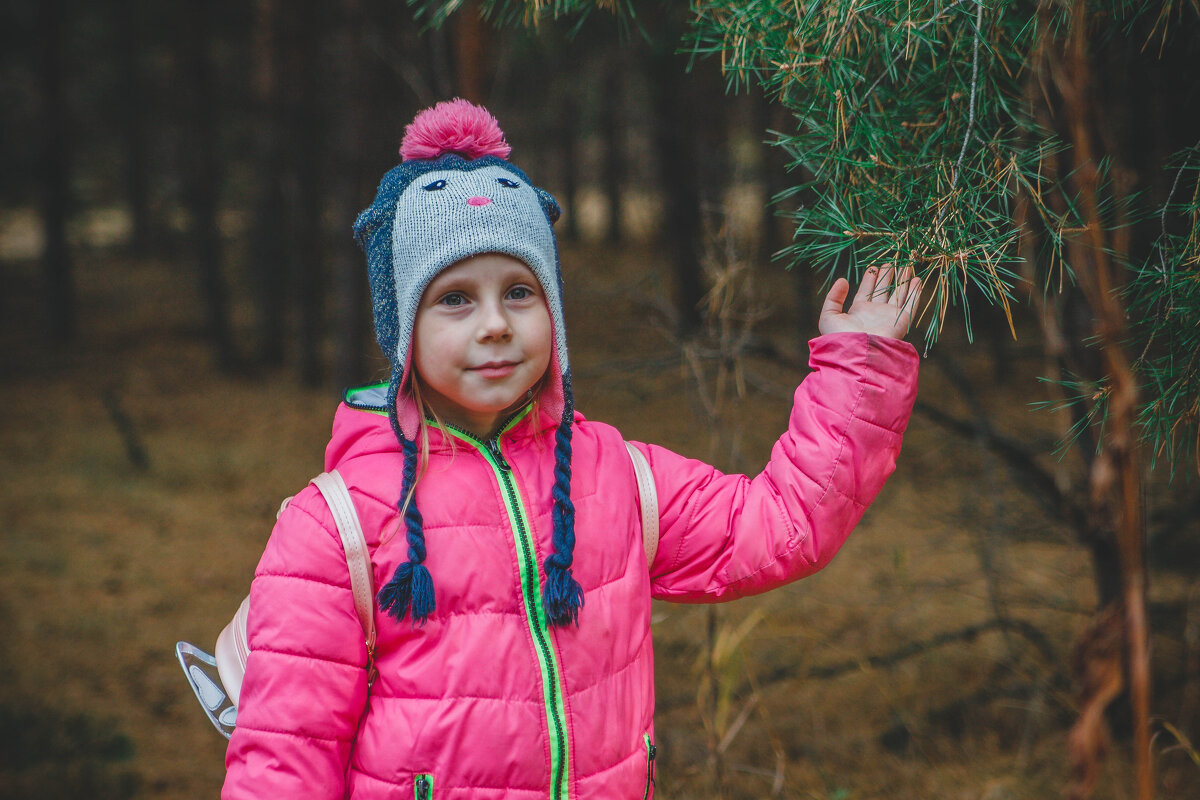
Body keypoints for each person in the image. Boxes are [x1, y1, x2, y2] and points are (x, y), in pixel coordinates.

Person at [222, 99, 921, 800]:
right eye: (456, 299)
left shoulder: (617, 479)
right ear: (403, 327)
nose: (495, 324)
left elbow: (781, 525)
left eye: (520, 292)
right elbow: (284, 764)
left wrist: (859, 366)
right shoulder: (333, 529)